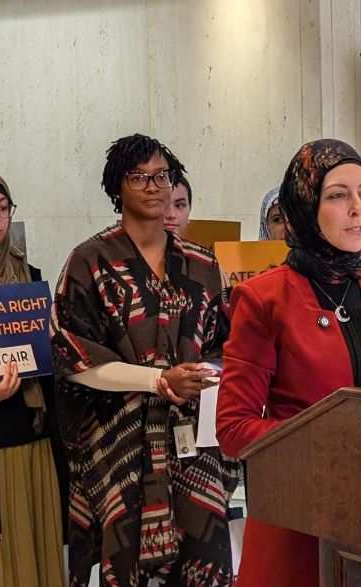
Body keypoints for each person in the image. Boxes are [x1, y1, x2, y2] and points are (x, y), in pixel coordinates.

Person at [216, 139, 361, 587]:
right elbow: (234, 429)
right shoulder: (263, 298)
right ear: (306, 208)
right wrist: (330, 445)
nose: (357, 209)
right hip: (297, 521)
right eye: (337, 195)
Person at [50, 134, 237, 586]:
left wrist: (201, 374)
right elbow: (73, 355)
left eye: (162, 176)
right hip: (120, 445)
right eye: (139, 177)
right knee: (124, 562)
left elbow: (229, 346)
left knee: (204, 557)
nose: (154, 186)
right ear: (117, 186)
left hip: (193, 447)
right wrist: (158, 380)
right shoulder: (90, 262)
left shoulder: (202, 264)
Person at [0, 168, 64, 586]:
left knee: (38, 560)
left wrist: (54, 339)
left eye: (3, 207)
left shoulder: (30, 277)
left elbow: (52, 369)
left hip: (34, 444)